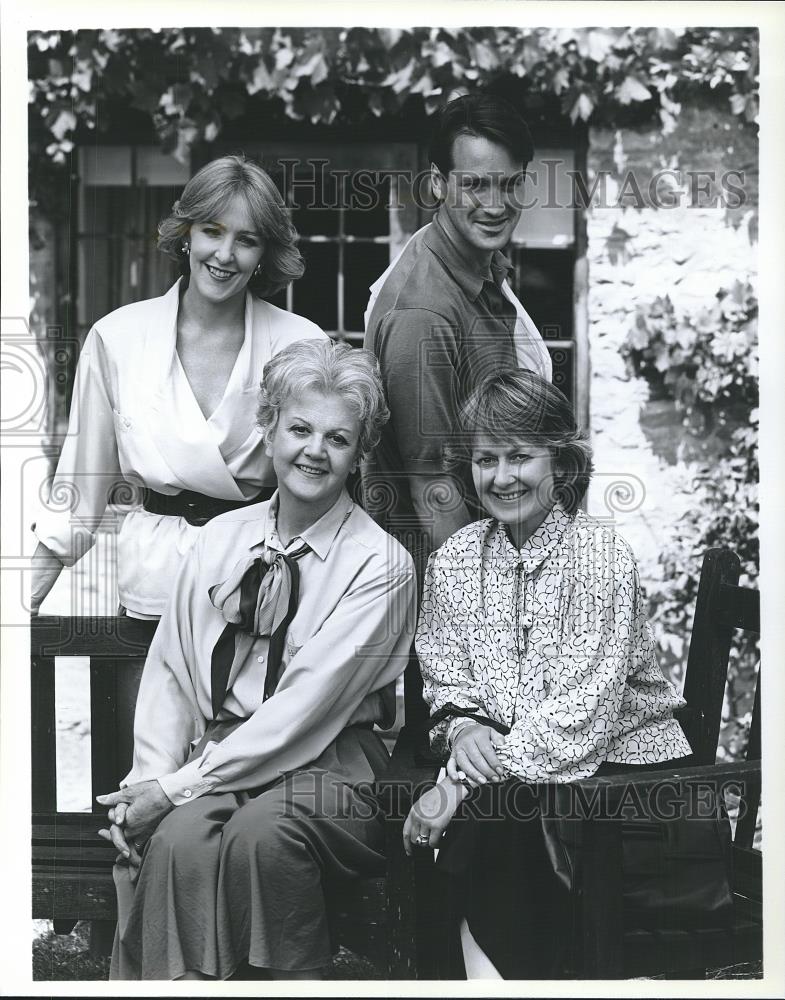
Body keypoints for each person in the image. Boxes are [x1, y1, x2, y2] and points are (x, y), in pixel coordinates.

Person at [96, 338, 417, 980]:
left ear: (359, 456)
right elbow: (171, 673)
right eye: (299, 428)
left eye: (339, 438)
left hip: (332, 760)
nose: (315, 451)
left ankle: (291, 981)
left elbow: (303, 710)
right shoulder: (221, 539)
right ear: (267, 429)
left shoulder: (381, 565)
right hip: (220, 755)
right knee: (180, 842)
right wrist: (149, 784)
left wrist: (179, 787)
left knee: (262, 835)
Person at [403, 370, 697, 979]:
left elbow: (577, 722)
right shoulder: (457, 558)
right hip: (518, 783)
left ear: (560, 463)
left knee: (488, 820)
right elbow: (446, 683)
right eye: (487, 459)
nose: (503, 476)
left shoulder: (600, 559)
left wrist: (453, 787)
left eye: (521, 456)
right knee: (493, 816)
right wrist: (461, 733)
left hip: (624, 790)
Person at [31, 154, 325, 619]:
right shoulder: (117, 337)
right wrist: (20, 603)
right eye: (212, 230)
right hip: (152, 584)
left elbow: (325, 487)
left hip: (261, 582)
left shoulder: (301, 343)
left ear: (264, 253)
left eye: (246, 240)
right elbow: (79, 495)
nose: (225, 255)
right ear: (186, 235)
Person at [363, 93, 552, 568]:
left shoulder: (478, 268)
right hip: (437, 592)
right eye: (475, 186)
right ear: (437, 185)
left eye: (509, 185)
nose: (495, 205)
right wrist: (484, 615)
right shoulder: (422, 312)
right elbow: (433, 492)